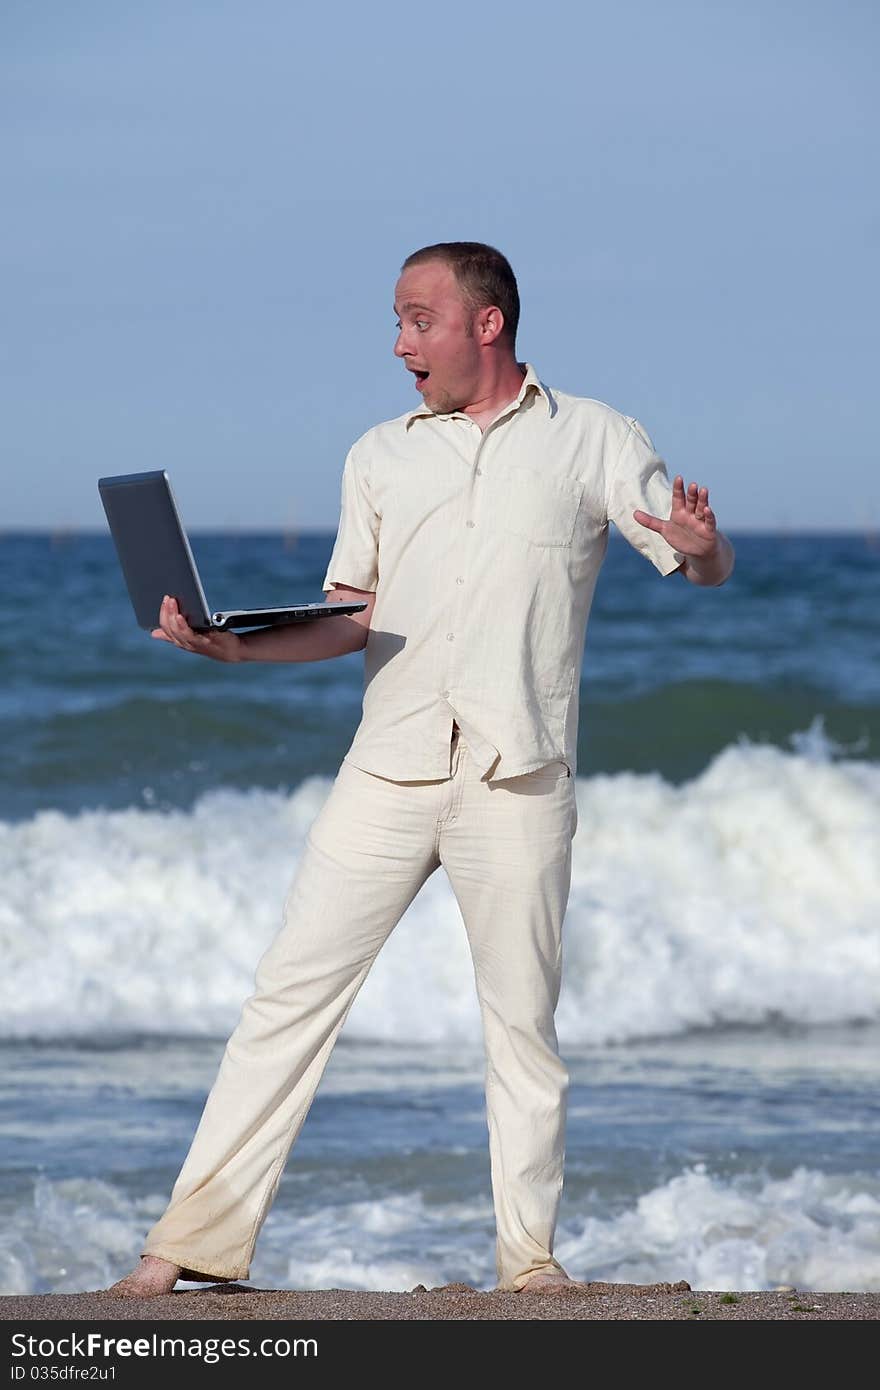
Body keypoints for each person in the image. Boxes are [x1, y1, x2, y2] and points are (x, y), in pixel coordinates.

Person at [108, 241, 734, 1298]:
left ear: (485, 324)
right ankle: (178, 1253)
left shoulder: (592, 436)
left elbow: (699, 566)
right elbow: (352, 615)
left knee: (522, 1030)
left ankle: (528, 1264)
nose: (399, 342)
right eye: (396, 322)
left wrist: (703, 543)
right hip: (387, 772)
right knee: (284, 1002)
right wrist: (237, 646)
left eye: (416, 319)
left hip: (517, 775)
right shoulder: (378, 456)